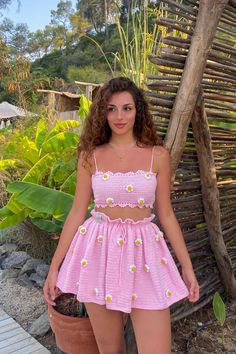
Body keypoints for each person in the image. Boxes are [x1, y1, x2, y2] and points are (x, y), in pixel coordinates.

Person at [44, 77, 199, 354]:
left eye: (127, 108)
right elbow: (77, 212)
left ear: (138, 110)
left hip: (145, 254)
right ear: (102, 113)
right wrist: (55, 266)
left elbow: (165, 213)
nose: (119, 116)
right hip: (98, 251)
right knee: (110, 350)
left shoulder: (158, 156)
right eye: (111, 109)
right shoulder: (90, 156)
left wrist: (186, 267)